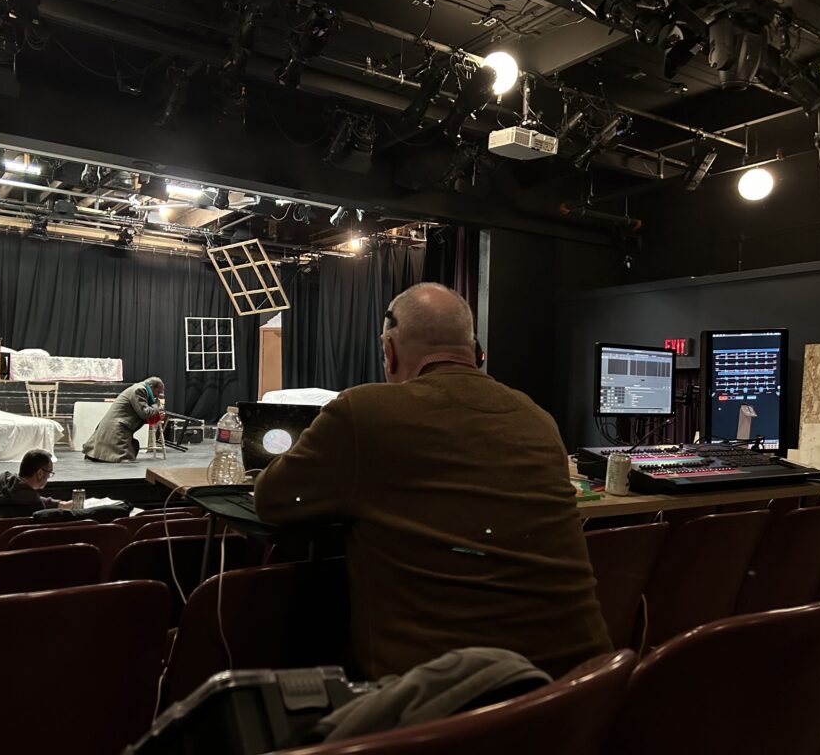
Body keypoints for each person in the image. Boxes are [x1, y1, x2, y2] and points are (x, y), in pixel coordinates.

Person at [254, 282, 612, 680]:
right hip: (585, 694)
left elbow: (272, 500)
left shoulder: (364, 411)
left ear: (388, 351)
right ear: (475, 350)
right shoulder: (537, 418)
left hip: (448, 710)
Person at [0, 449, 67, 520]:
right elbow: (31, 498)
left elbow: (26, 495)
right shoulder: (33, 505)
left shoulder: (0, 479)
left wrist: (60, 504)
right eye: (50, 473)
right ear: (40, 473)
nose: (49, 477)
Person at [82, 377, 165, 463]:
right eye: (158, 392)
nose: (158, 396)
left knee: (132, 447)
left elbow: (137, 414)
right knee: (123, 457)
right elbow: (144, 413)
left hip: (115, 425)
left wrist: (155, 414)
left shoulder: (140, 388)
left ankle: (94, 455)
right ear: (151, 386)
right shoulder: (140, 390)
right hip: (116, 427)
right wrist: (156, 407)